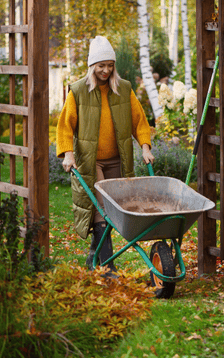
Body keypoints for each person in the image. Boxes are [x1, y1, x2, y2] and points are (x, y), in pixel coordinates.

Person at [56, 36, 155, 276]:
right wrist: (68, 154)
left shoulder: (124, 89)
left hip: (117, 159)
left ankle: (94, 256)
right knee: (102, 208)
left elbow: (139, 120)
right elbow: (65, 126)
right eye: (101, 65)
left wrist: (145, 146)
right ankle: (107, 265)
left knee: (112, 210)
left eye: (110, 65)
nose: (106, 70)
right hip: (92, 161)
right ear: (92, 66)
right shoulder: (79, 91)